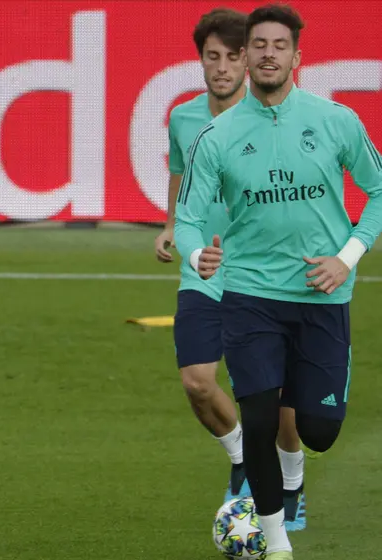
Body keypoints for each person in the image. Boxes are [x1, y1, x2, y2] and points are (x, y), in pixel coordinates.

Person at [175, 3, 382, 560]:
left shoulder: (336, 120)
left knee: (317, 430)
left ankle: (307, 439)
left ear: (296, 57)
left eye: (278, 45)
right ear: (247, 58)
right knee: (261, 419)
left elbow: (379, 189)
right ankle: (277, 547)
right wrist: (197, 254)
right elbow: (188, 218)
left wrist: (347, 257)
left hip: (321, 298)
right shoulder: (216, 136)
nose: (267, 54)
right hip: (249, 295)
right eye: (258, 45)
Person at [154, 8, 305, 521]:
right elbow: (180, 175)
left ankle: (291, 483)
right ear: (200, 60)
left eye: (233, 56)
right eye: (211, 56)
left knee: (274, 396)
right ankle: (242, 458)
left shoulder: (270, 117)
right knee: (198, 382)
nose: (222, 67)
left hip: (262, 274)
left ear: (249, 61)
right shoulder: (183, 118)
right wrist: (174, 225)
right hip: (204, 271)